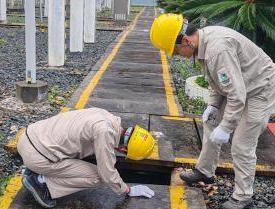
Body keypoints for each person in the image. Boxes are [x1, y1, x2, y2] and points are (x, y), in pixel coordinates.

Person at [150, 13, 275, 209]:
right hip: (241, 83)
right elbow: (215, 80)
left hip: (260, 87)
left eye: (175, 52)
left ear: (185, 40)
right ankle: (205, 171)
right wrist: (214, 105)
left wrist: (226, 127)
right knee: (211, 121)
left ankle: (243, 196)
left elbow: (237, 95)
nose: (177, 56)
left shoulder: (218, 50)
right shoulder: (202, 42)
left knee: (242, 144)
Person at [17, 107, 155, 208]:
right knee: (98, 177)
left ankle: (35, 170)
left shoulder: (105, 115)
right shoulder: (105, 133)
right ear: (124, 149)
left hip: (28, 137)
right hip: (38, 156)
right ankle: (41, 182)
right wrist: (127, 190)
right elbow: (107, 173)